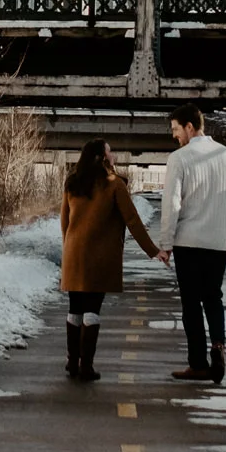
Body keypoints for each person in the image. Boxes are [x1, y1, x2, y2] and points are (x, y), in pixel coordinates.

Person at [58, 138, 163, 383]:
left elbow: (65, 221)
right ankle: (87, 366)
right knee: (92, 309)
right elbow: (133, 220)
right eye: (110, 152)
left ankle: (72, 362)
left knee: (75, 308)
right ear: (101, 157)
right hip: (99, 256)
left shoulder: (72, 183)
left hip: (73, 253)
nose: (113, 155)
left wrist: (69, 249)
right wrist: (152, 250)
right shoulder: (113, 184)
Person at [156, 105, 226, 383]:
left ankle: (197, 363)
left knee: (191, 304)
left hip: (188, 243)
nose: (174, 136)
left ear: (190, 127)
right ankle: (218, 346)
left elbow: (171, 204)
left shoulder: (180, 159)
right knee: (213, 298)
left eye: (175, 129)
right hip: (217, 243)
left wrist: (166, 242)